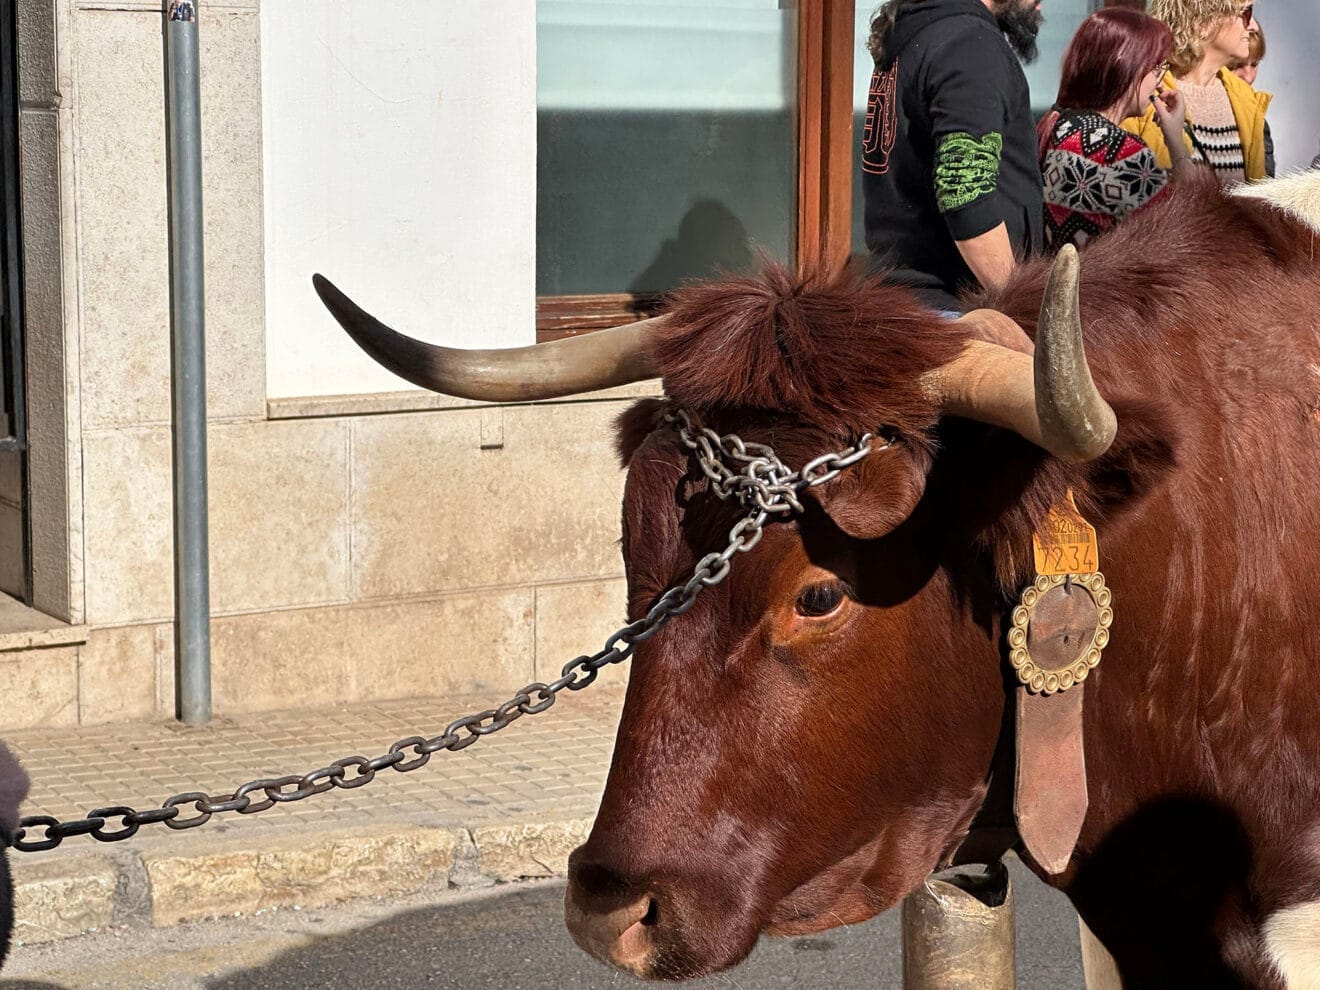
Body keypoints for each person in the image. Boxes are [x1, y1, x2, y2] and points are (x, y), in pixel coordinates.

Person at [862, 0, 1045, 313]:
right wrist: (1021, 309)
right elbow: (965, 192)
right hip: (956, 310)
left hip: (905, 302)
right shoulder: (969, 46)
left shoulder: (925, 32)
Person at [1037, 9, 1200, 251]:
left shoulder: (1058, 125)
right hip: (1108, 287)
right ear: (1127, 67)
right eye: (1156, 68)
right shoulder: (1121, 153)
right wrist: (1176, 143)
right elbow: (1188, 227)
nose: (1159, 80)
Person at [1122, 0, 1270, 186]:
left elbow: (1258, 203)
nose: (1254, 26)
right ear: (1202, 24)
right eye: (1246, 14)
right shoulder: (1143, 97)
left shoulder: (1248, 102)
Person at [1227, 25, 1274, 176]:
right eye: (1235, 65)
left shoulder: (1258, 121)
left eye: (1254, 64)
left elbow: (1265, 188)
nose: (1248, 77)